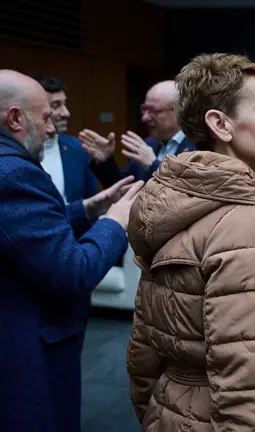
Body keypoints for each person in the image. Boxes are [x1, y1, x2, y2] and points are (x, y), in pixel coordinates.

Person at [126, 54, 255, 431]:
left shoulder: (173, 203)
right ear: (220, 124)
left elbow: (144, 353)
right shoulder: (246, 224)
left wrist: (158, 414)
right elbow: (251, 384)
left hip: (168, 411)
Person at [0, 69, 142, 432]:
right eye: (45, 117)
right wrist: (116, 221)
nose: (51, 129)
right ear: (15, 118)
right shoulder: (14, 173)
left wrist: (89, 208)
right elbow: (74, 271)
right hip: (25, 352)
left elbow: (19, 229)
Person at [80, 80, 195, 187]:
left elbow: (189, 193)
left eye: (153, 111)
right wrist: (106, 161)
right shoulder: (149, 144)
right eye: (144, 109)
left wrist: (153, 165)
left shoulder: (199, 146)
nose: (144, 118)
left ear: (180, 111)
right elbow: (123, 190)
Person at [33, 76, 100, 203]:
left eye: (65, 104)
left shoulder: (79, 149)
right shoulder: (17, 150)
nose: (66, 113)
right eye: (56, 105)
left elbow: (93, 203)